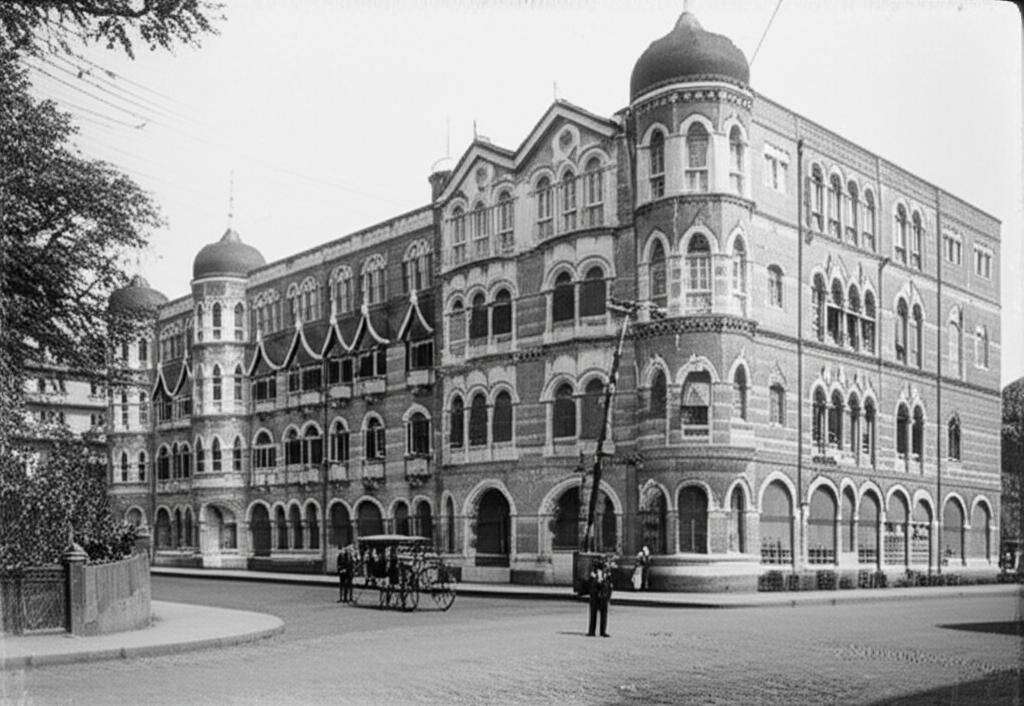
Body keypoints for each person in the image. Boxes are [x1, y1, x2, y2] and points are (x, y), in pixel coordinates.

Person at [586, 559, 612, 637]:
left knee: (602, 615)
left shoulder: (606, 573)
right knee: (594, 614)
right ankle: (593, 631)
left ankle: (601, 631)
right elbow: (591, 584)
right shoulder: (593, 574)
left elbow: (609, 584)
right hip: (596, 595)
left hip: (602, 595)